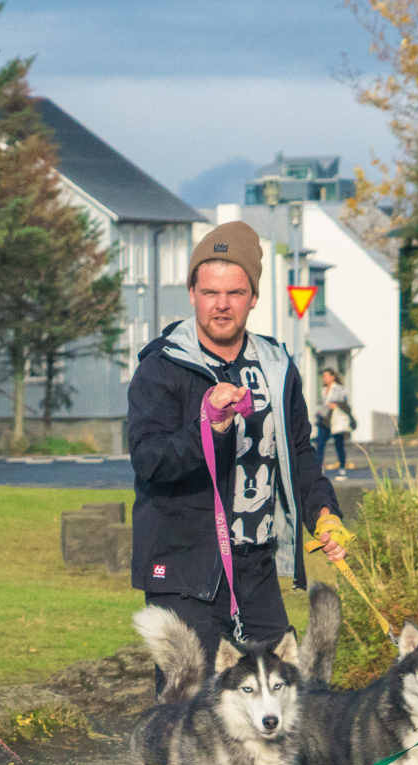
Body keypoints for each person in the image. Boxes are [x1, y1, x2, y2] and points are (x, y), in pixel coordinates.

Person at [127, 220, 349, 683]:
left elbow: (300, 453)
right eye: (209, 292)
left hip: (256, 564)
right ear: (191, 293)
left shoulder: (276, 366)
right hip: (186, 567)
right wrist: (206, 427)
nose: (221, 305)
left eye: (234, 292)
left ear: (253, 296)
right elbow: (150, 460)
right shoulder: (161, 367)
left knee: (282, 697)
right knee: (190, 712)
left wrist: (324, 511)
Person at [314, 368, 352, 476]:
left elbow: (345, 404)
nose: (324, 379)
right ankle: (319, 467)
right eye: (323, 377)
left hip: (336, 420)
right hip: (325, 420)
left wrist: (336, 405)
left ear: (332, 377)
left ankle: (342, 466)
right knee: (320, 443)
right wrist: (318, 413)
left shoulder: (339, 389)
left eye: (326, 376)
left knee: (339, 444)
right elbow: (322, 404)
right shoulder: (323, 390)